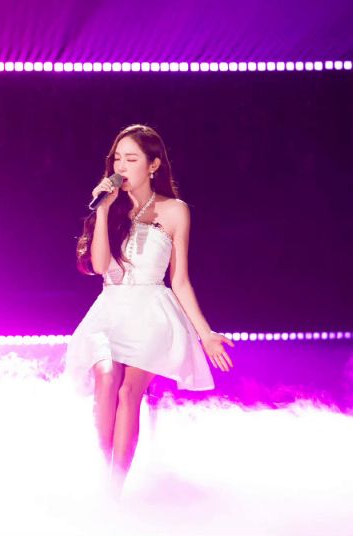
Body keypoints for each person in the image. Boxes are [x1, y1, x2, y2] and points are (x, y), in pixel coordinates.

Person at [64, 124, 234, 495]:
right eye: (117, 159)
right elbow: (99, 266)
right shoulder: (110, 208)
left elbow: (180, 280)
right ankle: (101, 479)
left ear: (153, 165)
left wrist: (205, 333)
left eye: (131, 159)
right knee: (106, 380)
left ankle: (115, 491)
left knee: (129, 393)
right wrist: (104, 212)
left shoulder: (175, 211)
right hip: (110, 310)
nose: (121, 167)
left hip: (152, 314)